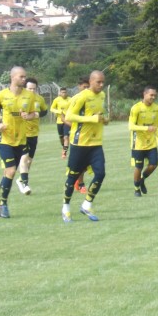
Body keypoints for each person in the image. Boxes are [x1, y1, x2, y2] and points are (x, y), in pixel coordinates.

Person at [0, 66, 35, 217]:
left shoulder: (29, 96)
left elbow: (33, 113)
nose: (24, 79)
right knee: (11, 170)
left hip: (20, 139)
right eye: (21, 77)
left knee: (8, 172)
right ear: (13, 77)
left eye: (25, 77)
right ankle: (3, 205)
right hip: (3, 139)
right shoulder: (1, 95)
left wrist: (29, 116)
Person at [62, 70, 108, 222]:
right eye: (98, 82)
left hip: (95, 144)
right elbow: (69, 116)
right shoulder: (80, 97)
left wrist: (103, 119)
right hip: (79, 143)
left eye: (103, 82)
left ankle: (87, 204)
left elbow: (98, 115)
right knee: (72, 176)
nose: (101, 85)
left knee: (100, 173)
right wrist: (92, 119)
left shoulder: (102, 96)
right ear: (91, 81)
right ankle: (66, 207)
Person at [128, 86, 158, 197]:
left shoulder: (157, 109)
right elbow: (131, 126)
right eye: (151, 95)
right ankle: (136, 188)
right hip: (138, 143)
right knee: (138, 166)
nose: (153, 97)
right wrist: (146, 128)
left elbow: (156, 126)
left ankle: (142, 179)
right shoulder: (136, 108)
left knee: (153, 165)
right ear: (144, 94)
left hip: (151, 143)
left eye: (154, 95)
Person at [16, 77, 48, 194]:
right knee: (24, 158)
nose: (32, 91)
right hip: (22, 132)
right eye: (29, 88)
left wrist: (36, 114)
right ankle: (25, 184)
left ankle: (21, 179)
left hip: (34, 133)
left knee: (29, 161)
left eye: (34, 89)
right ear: (25, 88)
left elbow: (45, 111)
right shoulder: (20, 98)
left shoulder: (39, 99)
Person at [67, 77, 91, 194]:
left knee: (88, 164)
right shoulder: (74, 100)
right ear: (79, 87)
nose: (86, 89)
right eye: (84, 87)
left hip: (90, 136)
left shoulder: (91, 100)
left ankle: (77, 180)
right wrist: (75, 127)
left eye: (88, 87)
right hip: (77, 137)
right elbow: (64, 116)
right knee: (79, 163)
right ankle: (80, 184)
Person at [50, 87, 71, 159]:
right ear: (59, 93)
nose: (64, 94)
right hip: (59, 121)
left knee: (66, 137)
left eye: (65, 92)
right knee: (61, 137)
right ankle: (64, 147)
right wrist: (58, 112)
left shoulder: (70, 99)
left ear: (67, 92)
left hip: (67, 120)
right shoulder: (56, 100)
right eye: (62, 92)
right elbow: (52, 108)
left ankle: (64, 152)